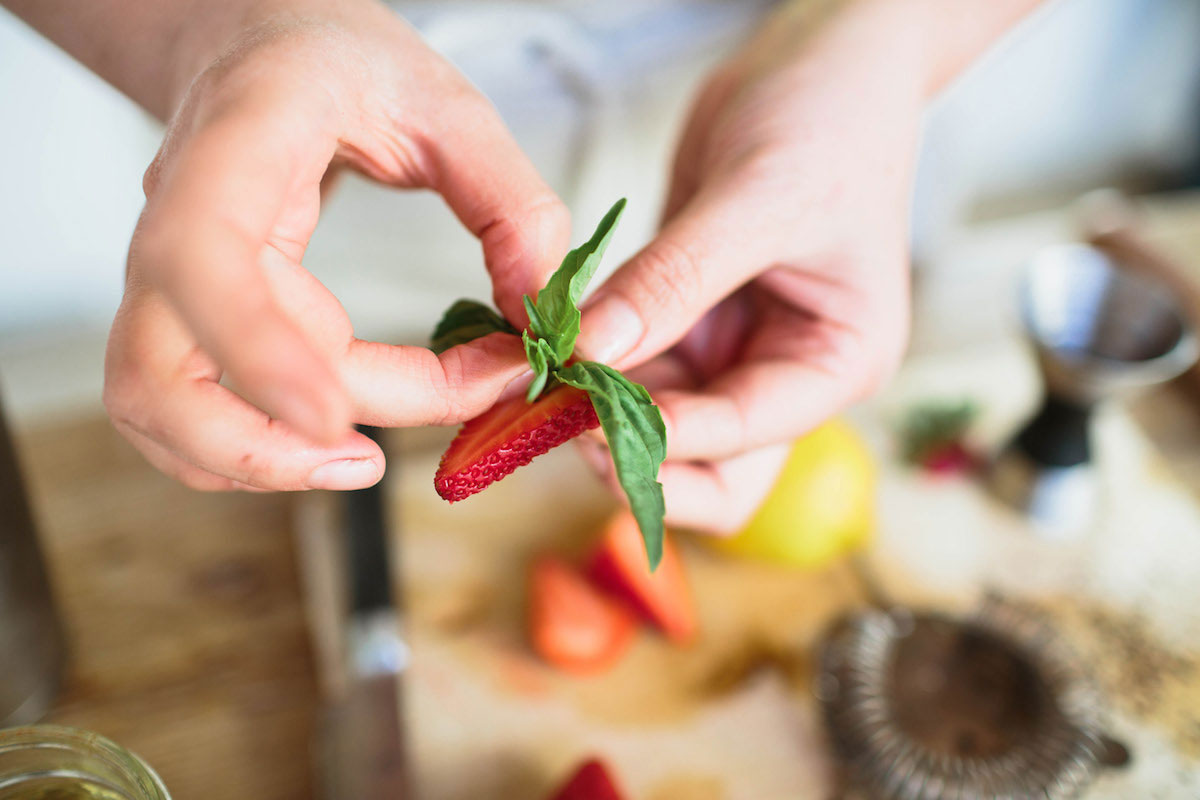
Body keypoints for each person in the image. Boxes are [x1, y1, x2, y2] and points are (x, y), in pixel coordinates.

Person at [4, 0, 1039, 532]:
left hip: (826, 147)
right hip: (334, 169)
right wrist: (215, 30)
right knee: (312, 406)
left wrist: (895, 41)